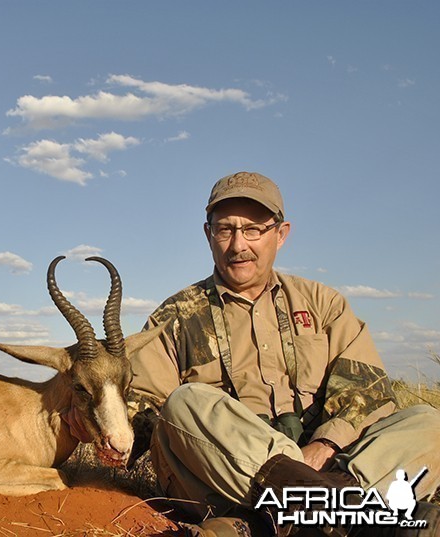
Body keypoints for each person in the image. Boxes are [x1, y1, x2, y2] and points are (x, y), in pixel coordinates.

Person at [65, 172, 440, 537]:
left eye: (254, 229)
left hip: (325, 459)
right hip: (228, 477)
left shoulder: (324, 304)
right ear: (208, 235)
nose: (238, 245)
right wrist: (92, 424)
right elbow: (140, 412)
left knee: (429, 421)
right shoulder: (173, 317)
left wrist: (323, 445)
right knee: (186, 402)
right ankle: (351, 515)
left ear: (281, 234)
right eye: (225, 229)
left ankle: (271, 523)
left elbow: (368, 391)